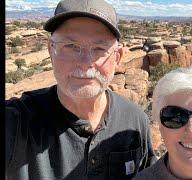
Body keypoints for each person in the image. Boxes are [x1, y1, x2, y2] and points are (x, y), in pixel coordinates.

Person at [5, 0, 156, 179]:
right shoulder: (17, 124)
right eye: (71, 46)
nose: (85, 63)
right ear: (50, 50)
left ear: (117, 57)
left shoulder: (134, 120)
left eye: (99, 48)